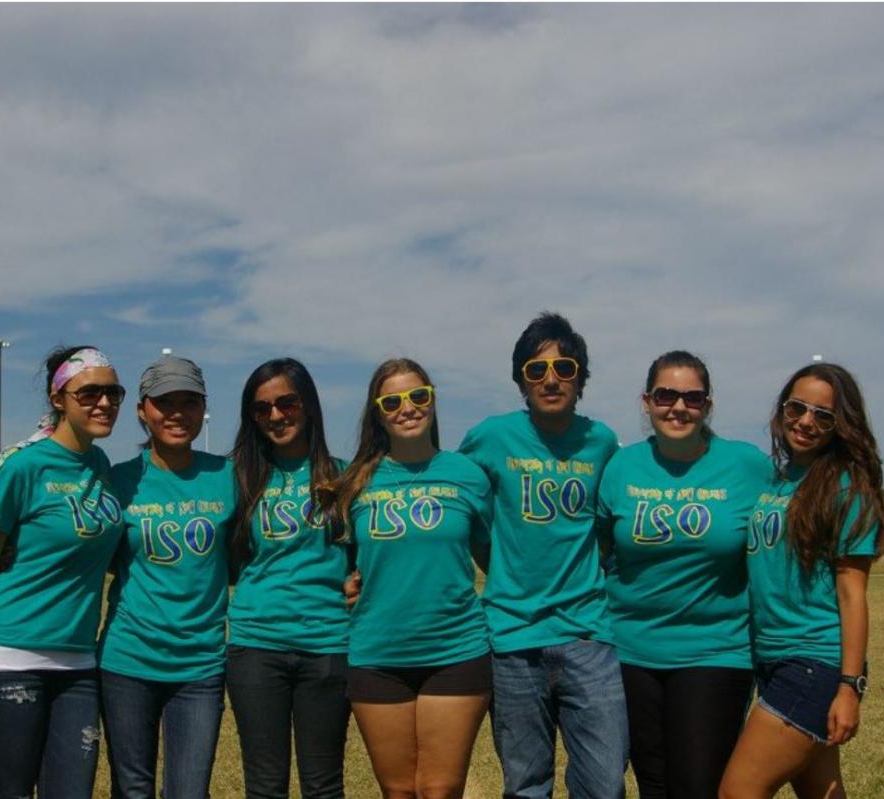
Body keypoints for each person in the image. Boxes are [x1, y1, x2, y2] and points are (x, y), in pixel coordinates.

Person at [0, 345, 126, 799]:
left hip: (79, 664)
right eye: (90, 393)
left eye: (113, 393)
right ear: (58, 398)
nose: (104, 403)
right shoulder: (22, 465)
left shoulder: (99, 466)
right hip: (5, 659)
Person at [458, 312, 627, 798]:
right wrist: (494, 559)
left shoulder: (602, 443)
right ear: (520, 380)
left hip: (587, 634)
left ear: (581, 378)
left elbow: (612, 525)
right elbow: (455, 503)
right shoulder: (490, 437)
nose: (551, 379)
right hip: (512, 638)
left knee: (604, 782)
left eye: (565, 368)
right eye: (536, 370)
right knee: (526, 785)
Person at [595, 351, 772, 799]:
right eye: (666, 395)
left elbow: (789, 532)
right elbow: (596, 552)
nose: (678, 407)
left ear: (708, 406)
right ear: (647, 401)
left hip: (715, 650)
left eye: (692, 398)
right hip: (630, 651)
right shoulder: (621, 467)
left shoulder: (747, 466)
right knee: (652, 782)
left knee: (696, 785)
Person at [323, 358, 492, 799]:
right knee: (398, 791)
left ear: (433, 401)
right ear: (378, 413)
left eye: (419, 396)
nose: (408, 408)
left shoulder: (468, 475)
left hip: (455, 649)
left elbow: (495, 558)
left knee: (440, 789)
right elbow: (335, 559)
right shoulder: (356, 481)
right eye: (393, 400)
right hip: (378, 651)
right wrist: (344, 583)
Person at [720, 363, 884, 799]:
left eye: (823, 415)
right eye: (798, 408)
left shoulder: (845, 489)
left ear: (840, 426)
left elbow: (853, 594)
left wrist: (850, 687)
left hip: (813, 662)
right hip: (771, 658)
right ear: (782, 410)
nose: (807, 421)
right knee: (822, 792)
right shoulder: (778, 480)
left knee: (738, 791)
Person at [98, 354, 237, 798]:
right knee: (132, 790)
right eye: (164, 402)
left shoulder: (229, 476)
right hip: (127, 662)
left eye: (189, 402)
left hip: (200, 666)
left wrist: (347, 574)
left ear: (204, 408)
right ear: (142, 409)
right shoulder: (118, 480)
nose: (177, 413)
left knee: (189, 792)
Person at [226, 358, 351, 799]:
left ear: (309, 405)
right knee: (264, 787)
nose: (276, 416)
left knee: (323, 785)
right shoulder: (237, 477)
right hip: (257, 647)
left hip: (328, 647)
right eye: (262, 409)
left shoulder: (344, 477)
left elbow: (369, 555)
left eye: (286, 403)